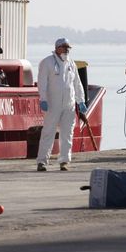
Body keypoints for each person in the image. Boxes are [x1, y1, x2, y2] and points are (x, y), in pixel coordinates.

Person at [36, 38, 87, 171]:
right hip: (53, 104)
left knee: (67, 133)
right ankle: (42, 161)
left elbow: (77, 83)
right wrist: (43, 99)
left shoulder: (71, 63)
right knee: (48, 132)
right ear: (57, 48)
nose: (67, 50)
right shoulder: (47, 62)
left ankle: (64, 160)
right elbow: (42, 81)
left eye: (68, 48)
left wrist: (80, 100)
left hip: (68, 104)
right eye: (64, 47)